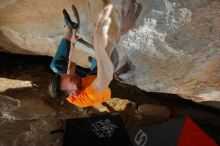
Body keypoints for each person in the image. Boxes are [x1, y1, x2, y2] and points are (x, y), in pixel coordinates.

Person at [49, 4, 114, 108]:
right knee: (106, 65)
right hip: (98, 81)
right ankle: (94, 66)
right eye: (70, 79)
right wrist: (99, 48)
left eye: (66, 76)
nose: (69, 75)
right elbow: (106, 78)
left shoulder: (68, 85)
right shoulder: (88, 95)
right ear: (73, 93)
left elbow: (71, 67)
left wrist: (73, 43)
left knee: (56, 67)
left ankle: (70, 27)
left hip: (87, 79)